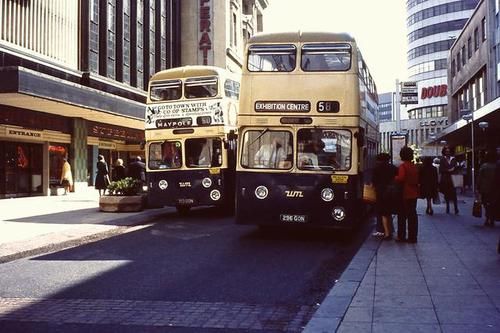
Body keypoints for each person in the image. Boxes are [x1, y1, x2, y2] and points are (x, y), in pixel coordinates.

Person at [395, 146, 420, 243]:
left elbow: (401, 178)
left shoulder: (403, 166)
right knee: (412, 215)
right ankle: (413, 237)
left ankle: (401, 236)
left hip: (405, 193)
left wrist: (394, 177)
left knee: (402, 216)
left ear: (402, 155)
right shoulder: (414, 166)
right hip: (414, 193)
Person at [372, 153, 397, 240]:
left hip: (380, 192)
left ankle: (386, 233)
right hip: (391, 192)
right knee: (388, 213)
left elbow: (374, 181)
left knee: (383, 213)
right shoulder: (393, 168)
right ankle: (389, 231)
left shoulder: (376, 169)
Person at [478, 150, 497, 227]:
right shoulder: (497, 166)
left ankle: (487, 217)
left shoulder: (484, 166)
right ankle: (492, 218)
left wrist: (478, 187)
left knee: (486, 203)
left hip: (485, 188)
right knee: (493, 203)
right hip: (494, 188)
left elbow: (479, 178)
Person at [439, 146, 459, 214]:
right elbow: (441, 169)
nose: (448, 153)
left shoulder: (453, 159)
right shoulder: (442, 159)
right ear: (444, 152)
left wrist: (455, 168)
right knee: (447, 194)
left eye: (449, 151)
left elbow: (456, 167)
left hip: (453, 179)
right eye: (446, 151)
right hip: (446, 179)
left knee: (454, 194)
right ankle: (447, 207)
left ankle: (456, 208)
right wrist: (448, 170)